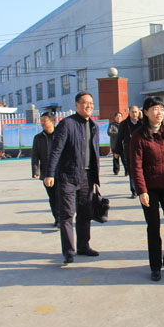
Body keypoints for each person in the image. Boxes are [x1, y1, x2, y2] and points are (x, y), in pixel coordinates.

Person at [130, 96, 164, 282]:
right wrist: (141, 191)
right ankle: (155, 266)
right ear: (145, 112)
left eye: (161, 108)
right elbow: (136, 166)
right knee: (154, 227)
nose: (159, 112)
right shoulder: (139, 136)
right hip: (149, 188)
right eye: (154, 109)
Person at [45, 91, 101, 264]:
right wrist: (49, 173)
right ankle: (69, 252)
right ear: (76, 105)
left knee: (85, 214)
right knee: (67, 215)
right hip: (68, 176)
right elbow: (56, 150)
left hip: (87, 177)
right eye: (85, 103)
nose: (89, 106)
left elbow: (95, 153)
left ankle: (83, 246)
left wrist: (95, 177)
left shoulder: (94, 126)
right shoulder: (67, 124)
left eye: (91, 103)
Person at [31, 111, 58, 227]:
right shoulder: (38, 138)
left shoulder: (60, 135)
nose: (42, 123)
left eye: (44, 121)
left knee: (62, 196)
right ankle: (58, 218)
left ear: (52, 122)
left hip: (61, 171)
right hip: (46, 173)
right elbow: (35, 155)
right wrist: (35, 171)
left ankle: (64, 218)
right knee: (53, 197)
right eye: (41, 121)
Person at [114, 105, 141, 198]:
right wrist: (117, 151)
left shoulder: (142, 123)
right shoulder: (124, 124)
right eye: (132, 112)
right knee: (132, 171)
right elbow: (119, 138)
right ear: (129, 112)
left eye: (136, 112)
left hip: (142, 151)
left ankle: (141, 189)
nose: (134, 114)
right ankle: (134, 191)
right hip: (129, 151)